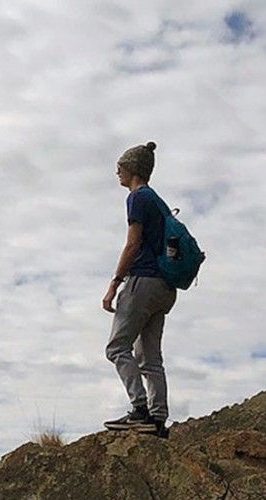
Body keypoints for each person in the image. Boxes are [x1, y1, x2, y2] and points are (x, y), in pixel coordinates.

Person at [102, 141, 177, 438]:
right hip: (165, 287)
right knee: (150, 357)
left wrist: (114, 284)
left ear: (132, 169)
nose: (116, 172)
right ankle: (157, 420)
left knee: (117, 347)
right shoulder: (158, 202)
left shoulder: (137, 198)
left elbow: (133, 243)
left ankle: (139, 409)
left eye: (119, 167)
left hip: (142, 281)